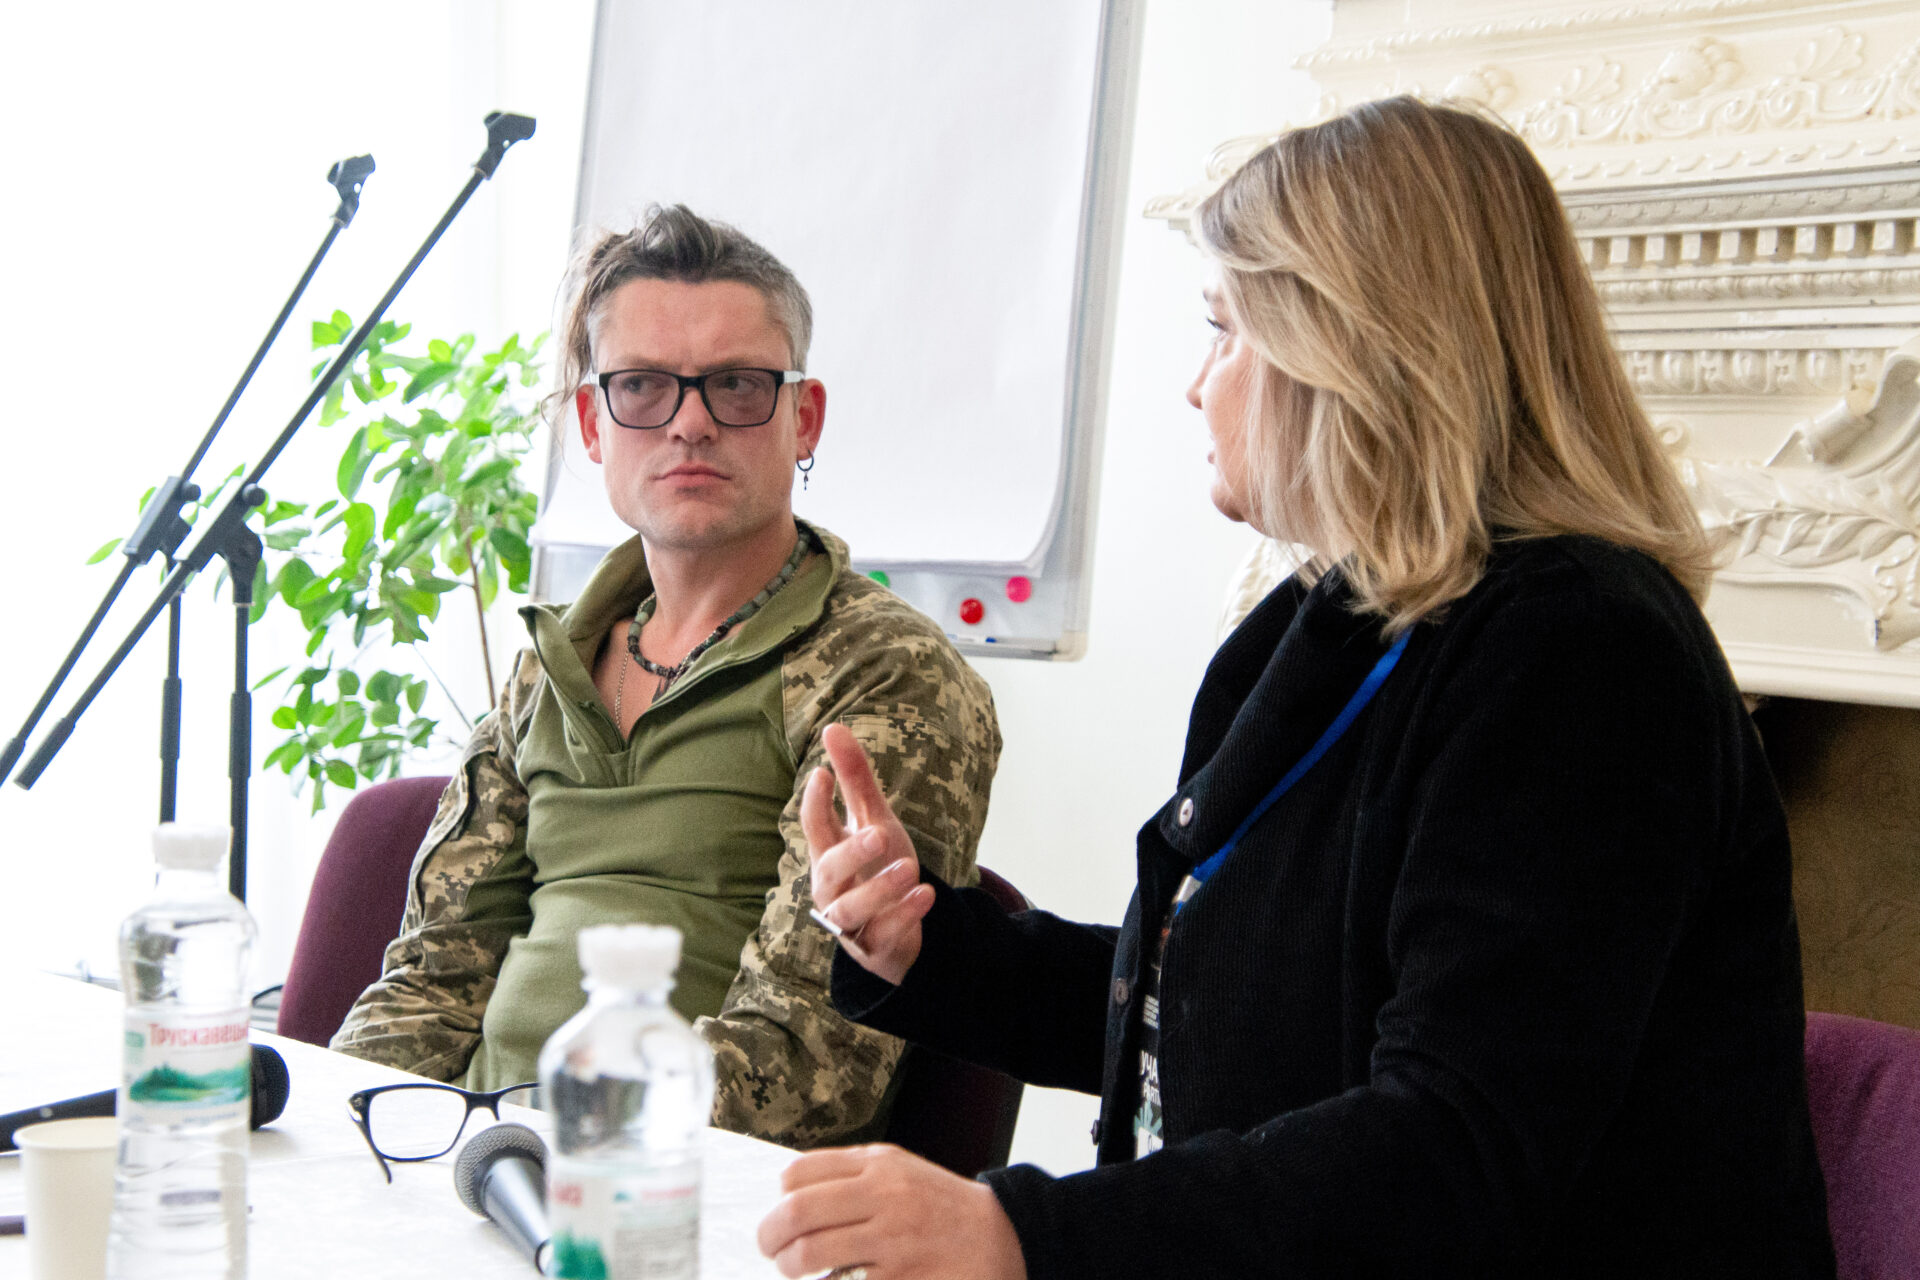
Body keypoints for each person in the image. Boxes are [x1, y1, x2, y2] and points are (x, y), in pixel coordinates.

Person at [758, 98, 1837, 1277]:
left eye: (1224, 330)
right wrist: (928, 948)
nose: (1196, 385)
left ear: (1350, 350)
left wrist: (1029, 1233)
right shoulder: (1328, 622)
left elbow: (1458, 1144)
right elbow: (1207, 1006)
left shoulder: (1586, 658)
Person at [332, 204, 1002, 1149]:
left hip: (680, 1189)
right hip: (472, 1162)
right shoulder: (548, 671)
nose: (690, 423)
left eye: (737, 385)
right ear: (592, 425)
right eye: (642, 386)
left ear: (803, 419)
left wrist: (556, 1140)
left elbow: (808, 1064)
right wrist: (336, 1141)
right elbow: (429, 983)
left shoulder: (883, 672)